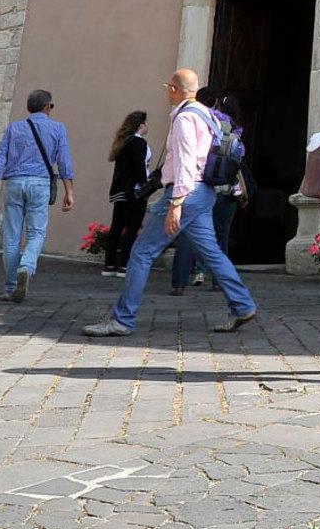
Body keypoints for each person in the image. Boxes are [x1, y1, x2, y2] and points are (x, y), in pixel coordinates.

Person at [83, 68, 257, 337]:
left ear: (175, 89)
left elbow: (187, 162)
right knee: (211, 252)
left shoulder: (185, 119)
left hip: (185, 192)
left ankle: (122, 320)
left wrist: (176, 203)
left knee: (141, 253)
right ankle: (243, 304)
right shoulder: (208, 116)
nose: (166, 92)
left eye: (168, 87)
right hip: (204, 193)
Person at [0, 88, 75, 303]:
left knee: (11, 237)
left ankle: (11, 287)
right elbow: (64, 162)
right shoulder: (58, 128)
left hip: (13, 183)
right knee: (36, 233)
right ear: (48, 107)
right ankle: (26, 266)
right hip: (40, 184)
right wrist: (69, 191)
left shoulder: (14, 128)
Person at [170, 90, 246, 295]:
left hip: (201, 187)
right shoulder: (235, 133)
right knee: (222, 236)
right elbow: (238, 160)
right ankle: (220, 282)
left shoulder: (204, 124)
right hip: (226, 190)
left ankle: (179, 282)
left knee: (187, 234)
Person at [103, 110, 151, 276]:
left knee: (117, 226)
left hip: (120, 190)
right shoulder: (139, 143)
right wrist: (146, 186)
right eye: (145, 123)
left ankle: (109, 264)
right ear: (140, 125)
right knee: (132, 228)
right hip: (134, 191)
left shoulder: (123, 142)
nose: (147, 126)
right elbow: (140, 168)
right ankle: (124, 264)